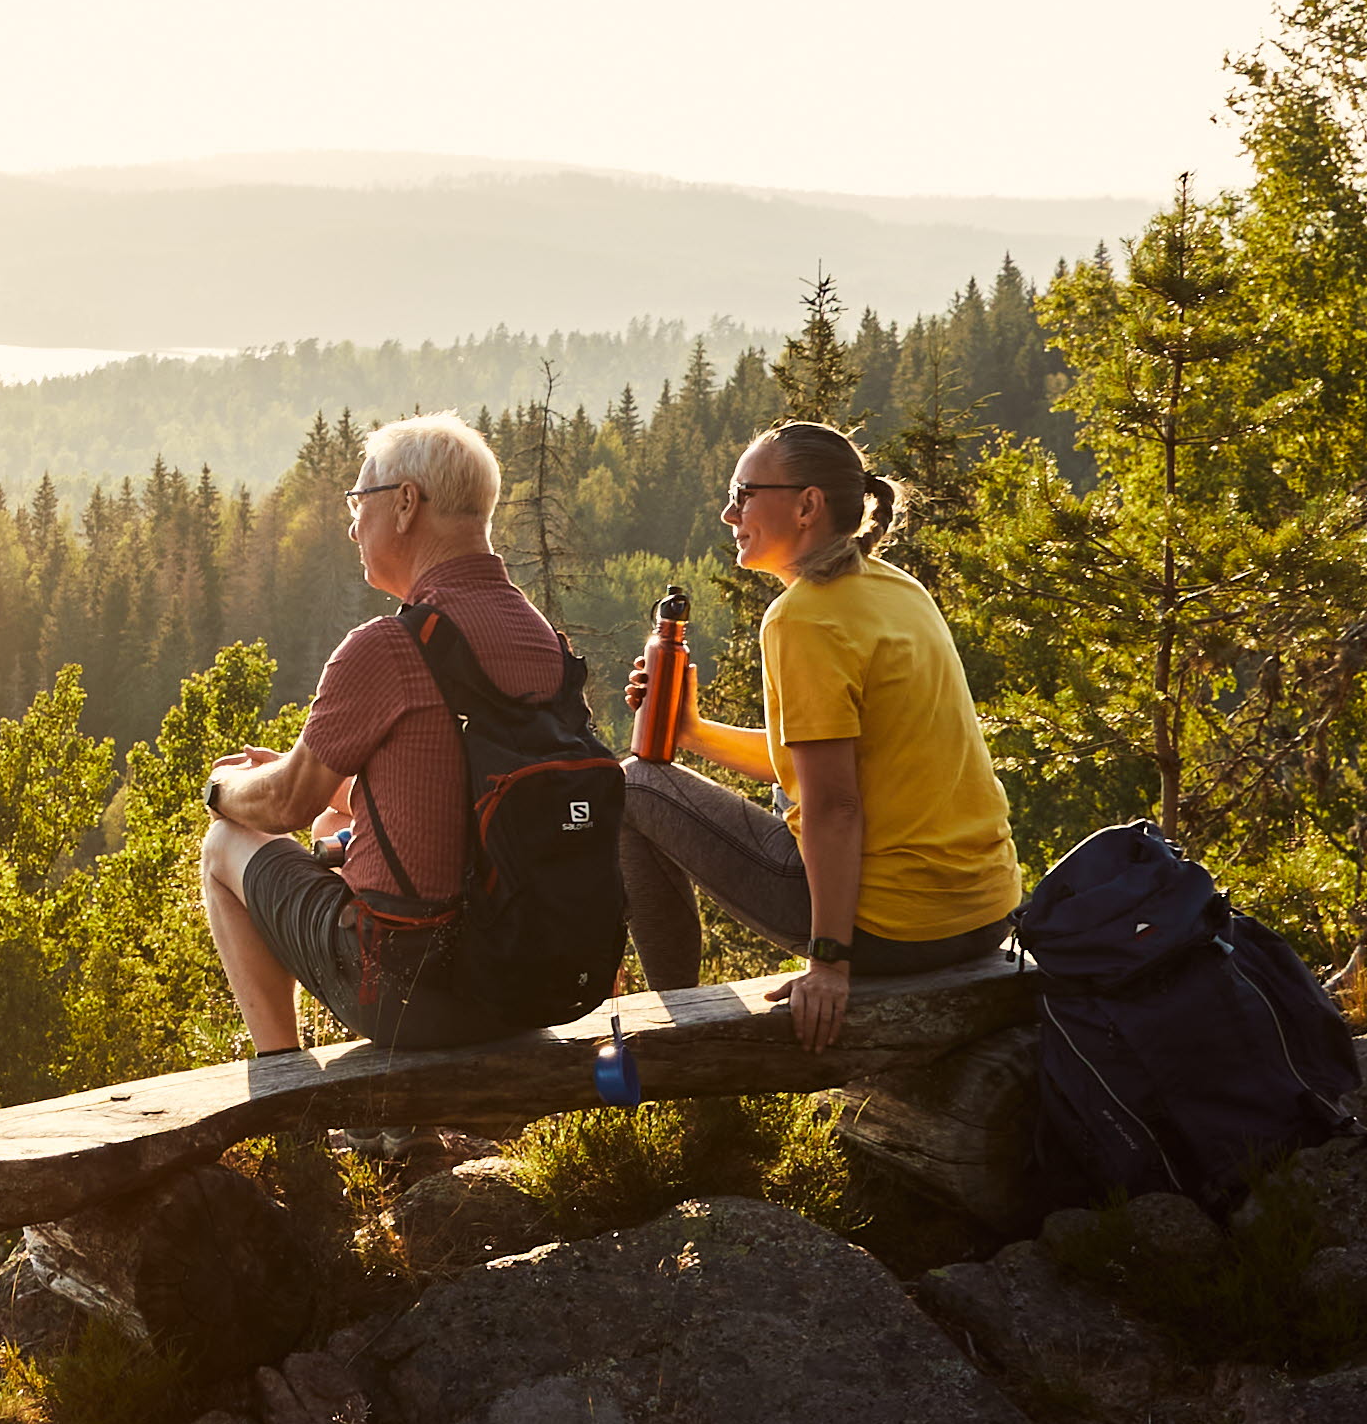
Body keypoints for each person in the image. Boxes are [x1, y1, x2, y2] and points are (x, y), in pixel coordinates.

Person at [624, 418, 1020, 1060]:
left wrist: (829, 962)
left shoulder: (802, 618)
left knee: (630, 786)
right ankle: (679, 1018)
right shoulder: (895, 589)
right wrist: (692, 733)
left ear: (807, 505)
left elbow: (834, 806)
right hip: (981, 914)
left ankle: (676, 1031)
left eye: (744, 492)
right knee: (647, 780)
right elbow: (820, 768)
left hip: (888, 926)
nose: (730, 512)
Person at [196, 411, 582, 1053]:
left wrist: (224, 787)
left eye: (360, 500)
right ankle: (390, 1124)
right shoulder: (542, 640)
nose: (353, 524)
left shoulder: (387, 647)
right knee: (330, 830)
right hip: (524, 980)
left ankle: (286, 1098)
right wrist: (338, 797)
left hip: (412, 993)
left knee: (224, 843)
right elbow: (470, 800)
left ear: (405, 504)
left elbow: (285, 800)